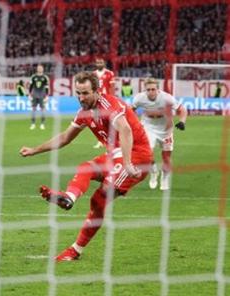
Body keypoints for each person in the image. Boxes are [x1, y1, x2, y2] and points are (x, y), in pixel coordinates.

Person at [19, 71, 153, 262]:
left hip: (137, 157)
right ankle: (69, 198)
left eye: (85, 93)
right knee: (85, 168)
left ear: (97, 91)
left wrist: (127, 162)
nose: (81, 98)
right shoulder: (84, 113)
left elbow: (125, 129)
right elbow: (65, 138)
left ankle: (75, 249)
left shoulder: (109, 105)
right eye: (78, 93)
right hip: (115, 156)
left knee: (100, 198)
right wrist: (34, 150)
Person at [131, 77, 187, 191]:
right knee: (147, 153)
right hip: (148, 127)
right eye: (148, 90)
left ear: (158, 89)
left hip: (165, 128)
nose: (151, 92)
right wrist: (132, 123)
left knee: (166, 157)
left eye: (153, 89)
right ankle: (153, 172)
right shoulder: (139, 98)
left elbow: (182, 109)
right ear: (145, 90)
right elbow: (130, 110)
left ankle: (165, 177)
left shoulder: (167, 98)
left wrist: (182, 121)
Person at [93, 58, 116, 149]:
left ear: (104, 63)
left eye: (101, 62)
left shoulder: (110, 73)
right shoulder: (93, 74)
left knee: (109, 120)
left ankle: (112, 140)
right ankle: (101, 140)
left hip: (106, 100)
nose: (99, 64)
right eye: (97, 62)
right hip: (96, 100)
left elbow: (112, 87)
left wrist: (112, 99)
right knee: (97, 120)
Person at [28, 64, 50, 130]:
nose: (40, 69)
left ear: (43, 69)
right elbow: (31, 86)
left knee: (42, 110)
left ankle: (42, 124)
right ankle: (33, 124)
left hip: (42, 95)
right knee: (33, 109)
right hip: (34, 94)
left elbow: (47, 87)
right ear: (37, 69)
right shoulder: (33, 77)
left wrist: (47, 96)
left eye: (41, 68)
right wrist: (29, 94)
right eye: (39, 68)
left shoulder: (45, 77)